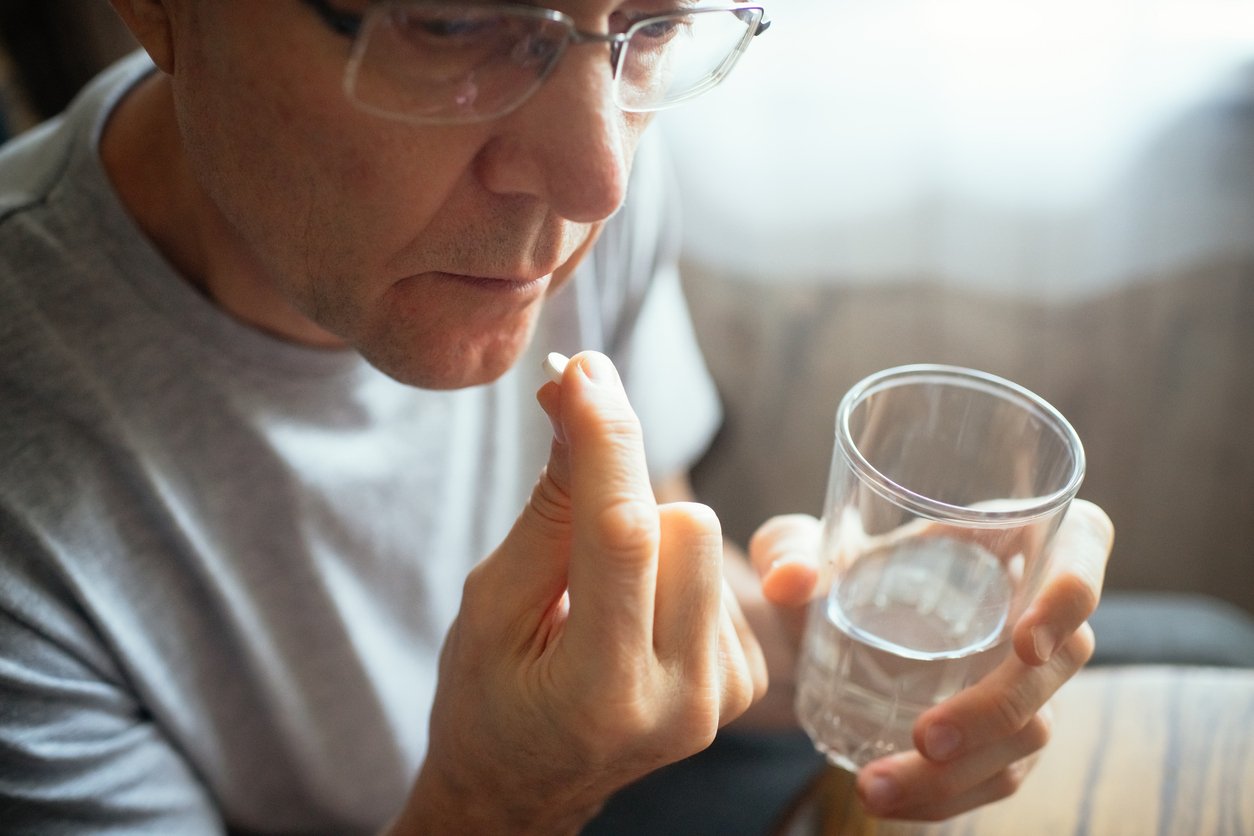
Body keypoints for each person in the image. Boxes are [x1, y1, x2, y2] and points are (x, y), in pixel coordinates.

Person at [0, 0, 1114, 832]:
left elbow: (641, 601)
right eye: (457, 26)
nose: (598, 180)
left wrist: (871, 645)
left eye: (656, 20)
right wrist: (497, 801)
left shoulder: (593, 110)